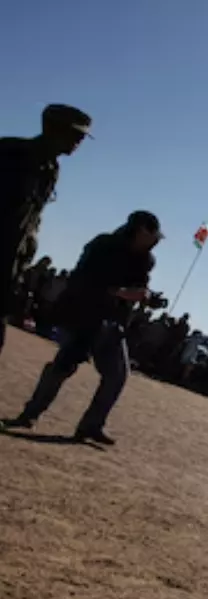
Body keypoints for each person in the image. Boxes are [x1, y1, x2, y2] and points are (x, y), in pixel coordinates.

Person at [1, 211, 161, 444]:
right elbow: (82, 281)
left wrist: (146, 297)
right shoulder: (103, 246)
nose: (155, 240)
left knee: (117, 375)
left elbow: (139, 286)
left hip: (113, 323)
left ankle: (91, 426)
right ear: (139, 230)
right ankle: (28, 415)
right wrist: (118, 292)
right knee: (62, 367)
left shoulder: (146, 260)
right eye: (152, 235)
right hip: (85, 316)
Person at [1, 104, 91, 357]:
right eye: (77, 134)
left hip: (9, 264)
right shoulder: (11, 153)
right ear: (56, 131)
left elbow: (31, 218)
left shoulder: (51, 169)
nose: (80, 141)